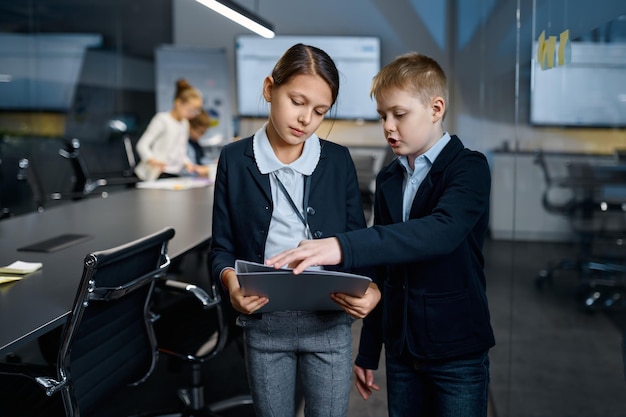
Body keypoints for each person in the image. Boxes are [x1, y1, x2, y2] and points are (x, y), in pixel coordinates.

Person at [266, 52, 496, 417]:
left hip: (457, 353)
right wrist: (369, 350)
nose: (389, 126)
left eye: (399, 115)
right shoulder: (389, 180)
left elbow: (439, 233)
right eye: (382, 116)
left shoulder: (469, 167)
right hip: (402, 353)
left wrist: (341, 246)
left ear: (436, 109)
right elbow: (383, 272)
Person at [208, 43, 381, 417]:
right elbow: (221, 247)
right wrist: (230, 283)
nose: (306, 119)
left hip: (330, 322)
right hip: (265, 322)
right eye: (297, 101)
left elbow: (358, 243)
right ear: (271, 89)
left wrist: (370, 286)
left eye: (319, 111)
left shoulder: (337, 161)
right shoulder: (235, 160)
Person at [134, 78, 203, 180]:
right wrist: (153, 160)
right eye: (190, 110)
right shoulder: (162, 119)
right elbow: (142, 145)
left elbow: (180, 150)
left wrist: (187, 163)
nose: (192, 115)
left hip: (175, 173)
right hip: (157, 173)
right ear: (178, 103)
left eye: (195, 112)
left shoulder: (185, 123)